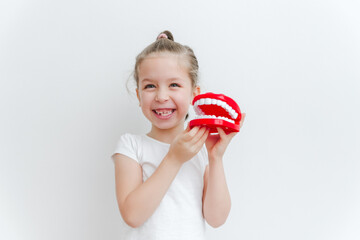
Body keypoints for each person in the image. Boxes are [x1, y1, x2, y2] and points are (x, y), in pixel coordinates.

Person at [111, 30, 246, 240]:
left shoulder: (201, 149)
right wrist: (174, 158)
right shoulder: (130, 146)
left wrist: (215, 158)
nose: (162, 96)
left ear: (194, 93)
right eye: (149, 86)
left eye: (174, 85)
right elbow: (132, 215)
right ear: (138, 94)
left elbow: (216, 218)